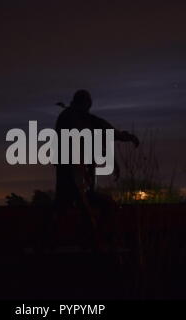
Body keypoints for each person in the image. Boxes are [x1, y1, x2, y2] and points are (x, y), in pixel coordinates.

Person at [54, 89, 139, 249]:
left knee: (65, 210)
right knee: (88, 212)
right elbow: (104, 130)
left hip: (70, 173)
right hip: (75, 175)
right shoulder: (78, 117)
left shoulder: (68, 117)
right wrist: (125, 137)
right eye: (88, 104)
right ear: (85, 103)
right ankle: (95, 243)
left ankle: (87, 241)